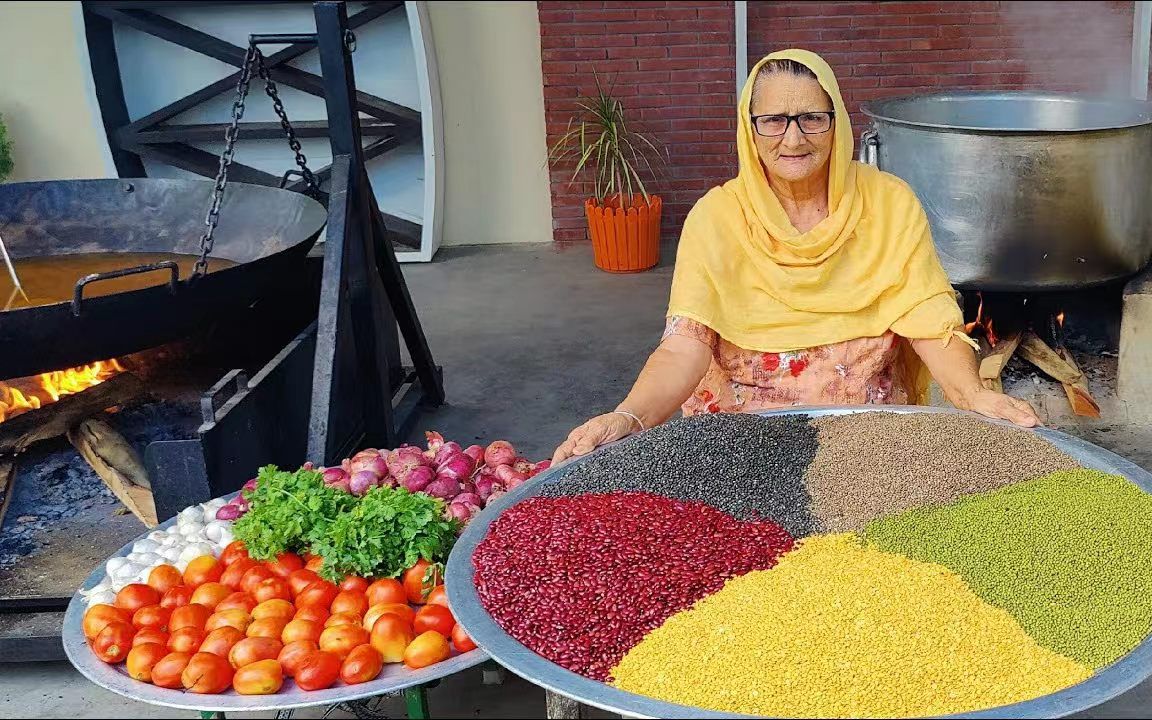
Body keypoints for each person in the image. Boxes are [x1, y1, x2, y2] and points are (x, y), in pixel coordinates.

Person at [552, 49, 1040, 465]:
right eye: (773, 120)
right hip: (743, 444)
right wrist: (629, 416)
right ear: (750, 128)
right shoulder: (717, 217)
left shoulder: (888, 201)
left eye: (812, 117)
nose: (793, 138)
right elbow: (685, 345)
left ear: (837, 123)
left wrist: (971, 394)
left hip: (869, 437)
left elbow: (930, 323)